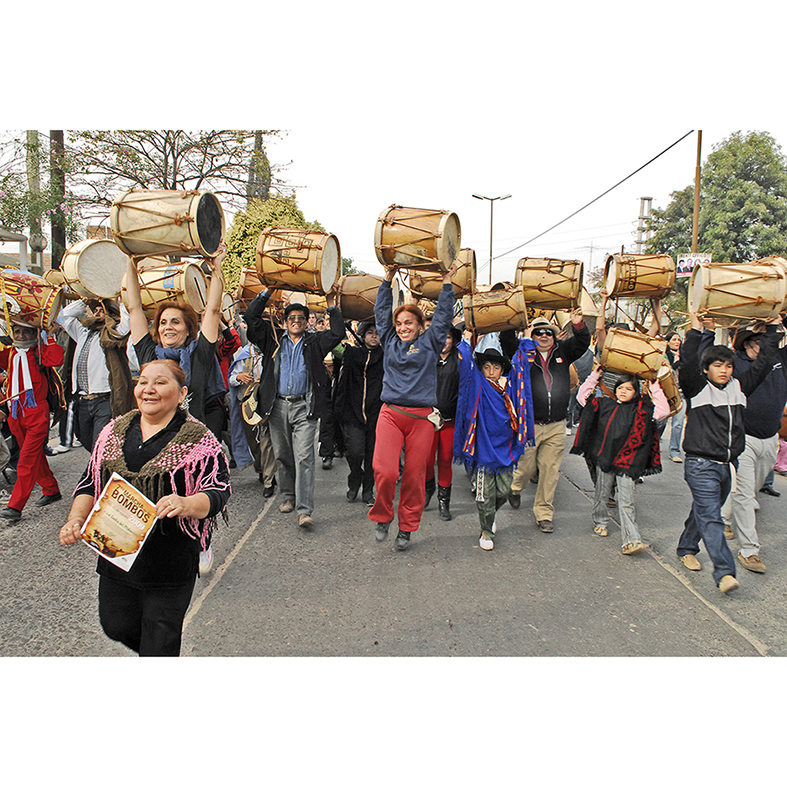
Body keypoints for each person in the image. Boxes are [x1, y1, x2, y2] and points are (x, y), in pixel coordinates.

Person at [58, 360, 230, 656]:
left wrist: (186, 503)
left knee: (161, 637)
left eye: (161, 382)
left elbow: (218, 491)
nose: (148, 389)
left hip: (170, 559)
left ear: (181, 393)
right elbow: (90, 482)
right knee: (116, 624)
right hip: (117, 551)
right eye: (142, 382)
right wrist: (75, 519)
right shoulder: (113, 432)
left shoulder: (199, 440)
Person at [676, 308, 781, 594]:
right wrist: (696, 330)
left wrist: (772, 331)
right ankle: (724, 572)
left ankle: (686, 546)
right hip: (700, 464)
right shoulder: (696, 388)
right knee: (712, 516)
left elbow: (765, 363)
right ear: (706, 369)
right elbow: (686, 362)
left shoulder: (740, 388)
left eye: (728, 366)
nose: (724, 370)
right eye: (718, 366)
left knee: (703, 510)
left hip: (726, 465)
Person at [369, 264, 455, 550]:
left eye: (409, 323)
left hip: (421, 419)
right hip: (391, 414)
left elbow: (442, 318)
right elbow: (381, 314)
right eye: (400, 324)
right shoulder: (390, 341)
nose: (403, 327)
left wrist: (446, 283)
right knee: (385, 471)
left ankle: (406, 528)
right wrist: (386, 280)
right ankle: (383, 516)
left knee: (415, 476)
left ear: (420, 326)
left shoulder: (430, 343)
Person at [244, 288, 344, 529]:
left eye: (301, 318)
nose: (296, 321)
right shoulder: (273, 339)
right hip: (277, 406)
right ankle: (288, 495)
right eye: (292, 318)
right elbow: (251, 319)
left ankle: (304, 510)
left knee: (304, 458)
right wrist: (267, 292)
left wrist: (331, 304)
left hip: (305, 407)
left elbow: (338, 332)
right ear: (285, 320)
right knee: (282, 455)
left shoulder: (314, 341)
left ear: (306, 322)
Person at [124, 245, 229, 441]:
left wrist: (216, 268)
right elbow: (134, 308)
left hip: (192, 443)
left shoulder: (199, 354)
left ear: (188, 329)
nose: (168, 327)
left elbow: (213, 310)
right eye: (163, 322)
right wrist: (131, 264)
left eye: (175, 322)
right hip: (155, 441)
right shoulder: (149, 353)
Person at [507, 311, 590, 532]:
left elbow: (583, 342)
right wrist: (513, 317)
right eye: (538, 332)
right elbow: (506, 340)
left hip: (556, 425)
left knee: (549, 470)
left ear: (554, 336)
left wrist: (578, 324)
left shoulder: (563, 352)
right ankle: (515, 488)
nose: (544, 336)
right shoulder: (523, 353)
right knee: (525, 468)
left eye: (548, 333)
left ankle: (544, 513)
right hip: (531, 425)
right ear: (531, 335)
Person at [572, 368, 669, 555]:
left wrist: (655, 386)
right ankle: (600, 521)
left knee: (626, 502)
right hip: (605, 457)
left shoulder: (641, 409)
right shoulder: (604, 405)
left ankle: (631, 539)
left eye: (629, 389)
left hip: (628, 462)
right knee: (602, 492)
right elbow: (582, 397)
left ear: (636, 392)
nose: (623, 391)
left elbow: (663, 411)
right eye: (620, 387)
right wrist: (594, 376)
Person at [454, 341, 536, 550]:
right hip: (483, 449)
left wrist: (524, 341)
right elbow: (465, 366)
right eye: (487, 367)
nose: (491, 372)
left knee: (503, 492)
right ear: (481, 369)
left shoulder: (510, 389)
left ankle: (489, 515)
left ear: (502, 370)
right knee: (484, 495)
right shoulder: (478, 385)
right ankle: (486, 530)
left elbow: (523, 367)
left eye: (496, 367)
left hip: (505, 449)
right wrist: (466, 339)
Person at [720, 324, 787, 573]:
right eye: (764, 340)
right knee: (746, 494)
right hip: (743, 438)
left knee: (750, 490)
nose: (771, 344)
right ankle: (749, 550)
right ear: (748, 343)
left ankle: (724, 518)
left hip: (771, 438)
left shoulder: (780, 358)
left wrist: (781, 319)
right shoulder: (734, 363)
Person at [0, 321, 64, 522]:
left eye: (25, 331)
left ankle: (15, 506)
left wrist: (50, 335)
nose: (20, 336)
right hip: (15, 413)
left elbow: (57, 358)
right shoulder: (10, 353)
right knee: (35, 455)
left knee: (26, 459)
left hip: (37, 413)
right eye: (17, 331)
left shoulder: (39, 352)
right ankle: (51, 489)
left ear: (34, 334)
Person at [56, 298, 131, 453]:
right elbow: (63, 317)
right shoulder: (82, 332)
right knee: (85, 438)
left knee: (100, 445)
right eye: (94, 310)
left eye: (101, 310)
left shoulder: (114, 333)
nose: (97, 313)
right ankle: (99, 467)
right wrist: (83, 301)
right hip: (82, 399)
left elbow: (127, 323)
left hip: (103, 400)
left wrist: (121, 301)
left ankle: (98, 473)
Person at [334, 321, 384, 505]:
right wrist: (335, 314)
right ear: (363, 335)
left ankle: (368, 491)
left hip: (377, 414)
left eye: (377, 333)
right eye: (370, 332)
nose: (374, 336)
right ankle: (355, 475)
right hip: (352, 414)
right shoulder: (352, 353)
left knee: (373, 457)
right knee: (355, 452)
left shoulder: (385, 356)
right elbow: (333, 343)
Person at [228, 341, 277, 496]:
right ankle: (261, 468)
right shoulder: (245, 353)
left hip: (268, 402)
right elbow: (232, 378)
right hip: (248, 404)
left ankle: (269, 479)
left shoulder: (273, 350)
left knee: (266, 441)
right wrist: (240, 377)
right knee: (253, 441)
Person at [425, 326, 462, 519]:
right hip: (428, 420)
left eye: (447, 337)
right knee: (427, 461)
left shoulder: (461, 359)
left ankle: (443, 502)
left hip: (450, 420)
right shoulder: (426, 357)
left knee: (446, 460)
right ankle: (428, 486)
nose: (443, 341)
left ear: (453, 340)